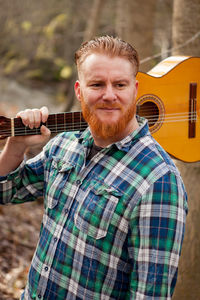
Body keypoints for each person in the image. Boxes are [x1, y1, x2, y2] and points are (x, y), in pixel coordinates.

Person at [0, 36, 187, 299]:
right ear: (79, 90)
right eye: (97, 84)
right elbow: (6, 190)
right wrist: (16, 145)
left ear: (135, 89)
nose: (109, 95)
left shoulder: (159, 181)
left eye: (119, 84)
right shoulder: (64, 145)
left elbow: (150, 294)